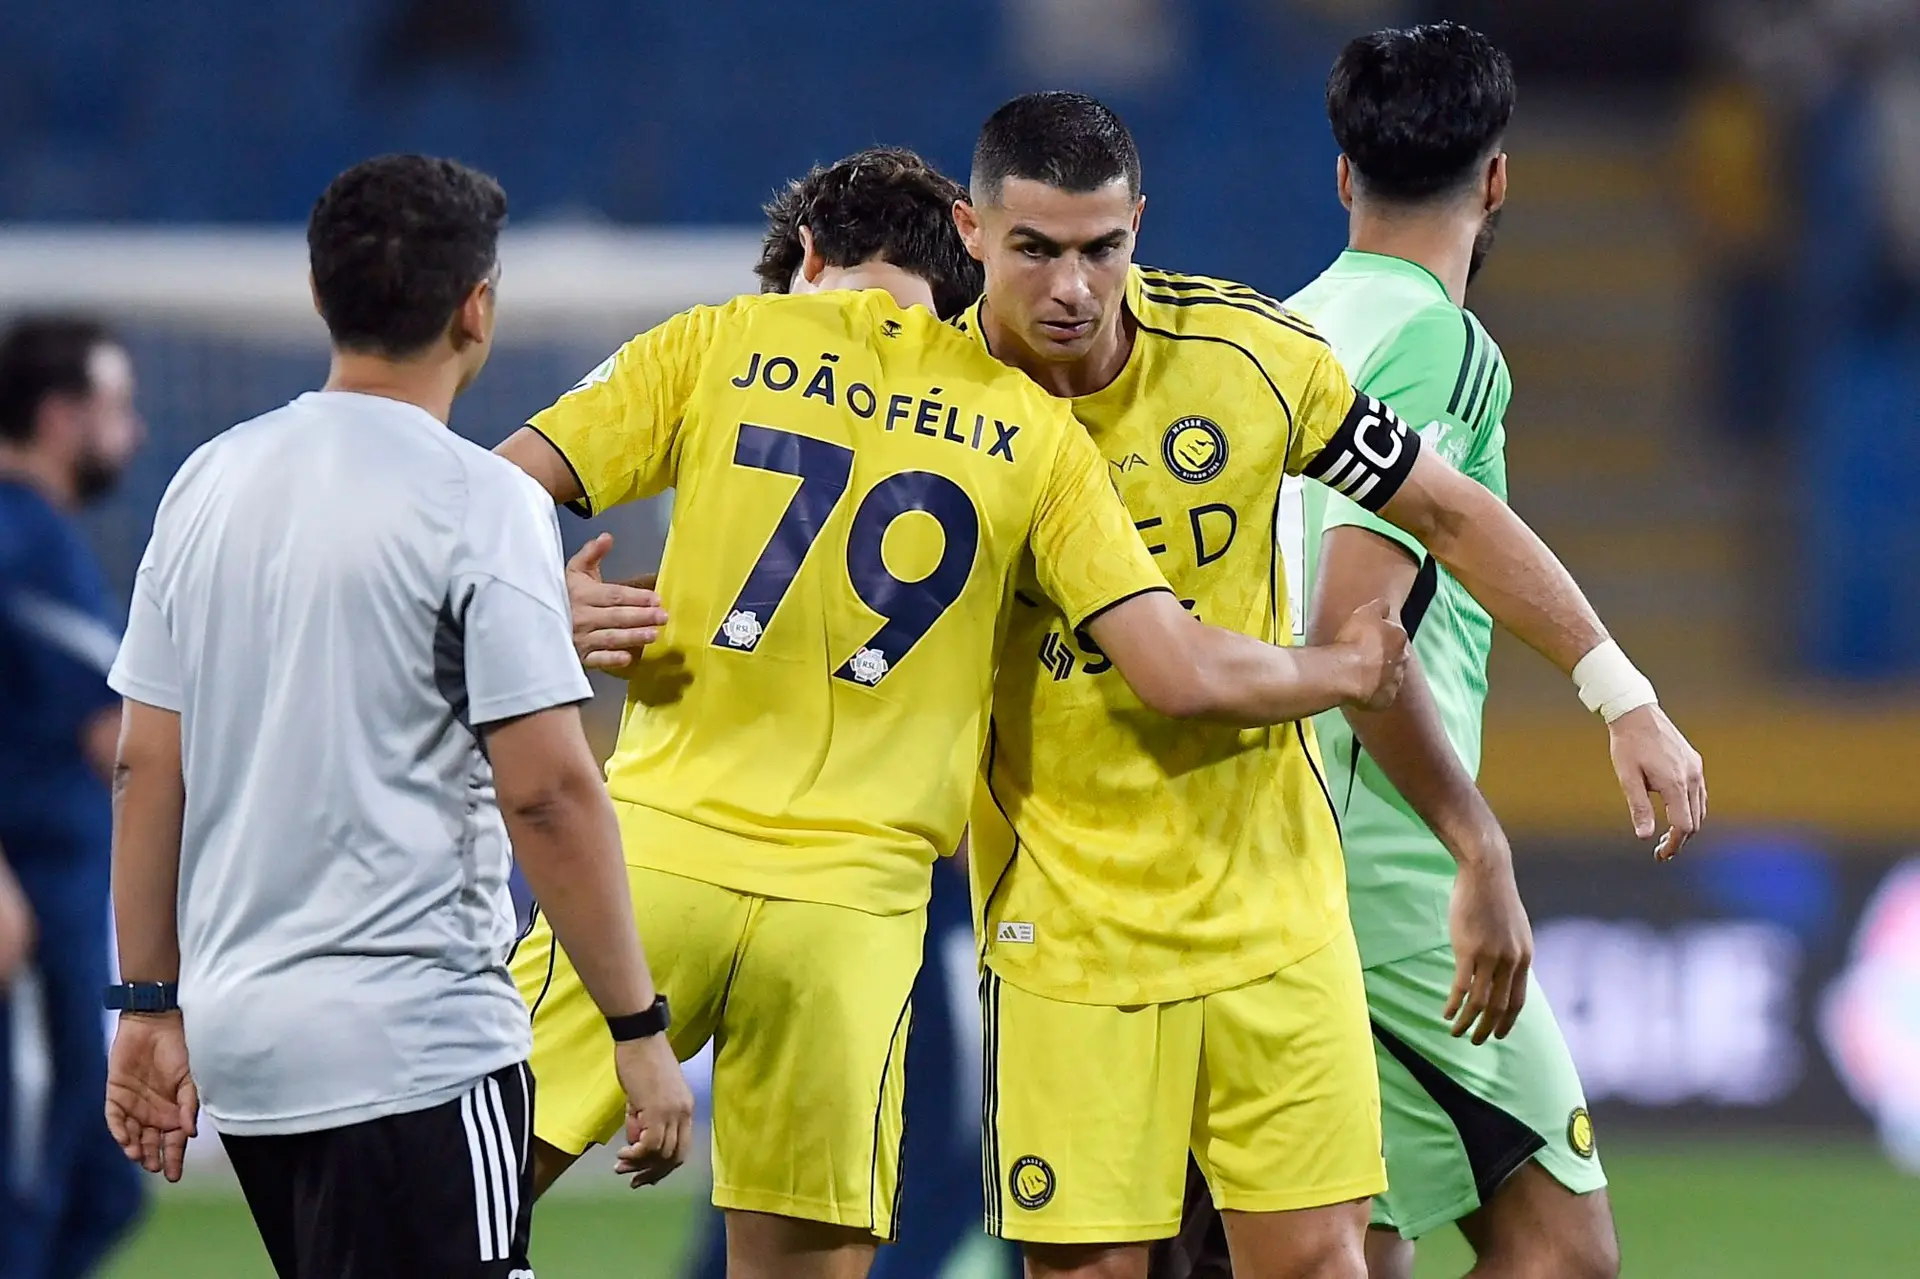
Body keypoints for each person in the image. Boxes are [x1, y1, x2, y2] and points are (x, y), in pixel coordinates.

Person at [493, 144, 1411, 1279]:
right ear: (971, 260)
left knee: (454, 1199)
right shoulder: (1029, 426)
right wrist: (1347, 666)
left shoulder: (721, 341)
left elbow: (476, 503)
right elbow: (1178, 670)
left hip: (659, 862)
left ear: (810, 259)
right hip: (858, 910)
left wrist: (545, 603)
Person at [943, 92, 1704, 1279]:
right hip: (1069, 931)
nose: (1074, 290)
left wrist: (1617, 688)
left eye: (1104, 249)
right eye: (1035, 249)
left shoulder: (1248, 357)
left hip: (1275, 914)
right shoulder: (930, 408)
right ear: (970, 231)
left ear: (1141, 224)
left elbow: (1448, 511)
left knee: (1327, 1260)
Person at [99, 153, 693, 1279]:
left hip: (248, 1049)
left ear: (322, 294)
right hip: (412, 1043)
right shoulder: (485, 502)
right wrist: (637, 1029)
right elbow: (550, 792)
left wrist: (144, 1002)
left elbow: (145, 766)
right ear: (478, 309)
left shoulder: (207, 481)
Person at [1286, 25, 1616, 1278]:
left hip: (1282, 848)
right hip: (1385, 867)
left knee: (1356, 1243)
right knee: (1563, 1243)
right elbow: (1351, 635)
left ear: (1341, 177)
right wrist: (1475, 842)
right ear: (1495, 181)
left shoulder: (1281, 331)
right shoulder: (1444, 346)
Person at [675, 151, 1020, 1279]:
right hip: (855, 880)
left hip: (738, 851)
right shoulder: (978, 423)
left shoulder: (716, 364)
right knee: (870, 1190)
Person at [0, 316, 147, 1279]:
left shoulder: (45, 538)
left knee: (95, 1182)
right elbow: (125, 741)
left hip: (63, 913)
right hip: (30, 919)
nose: (131, 434)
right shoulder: (24, 543)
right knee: (32, 1191)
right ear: (61, 418)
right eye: (115, 408)